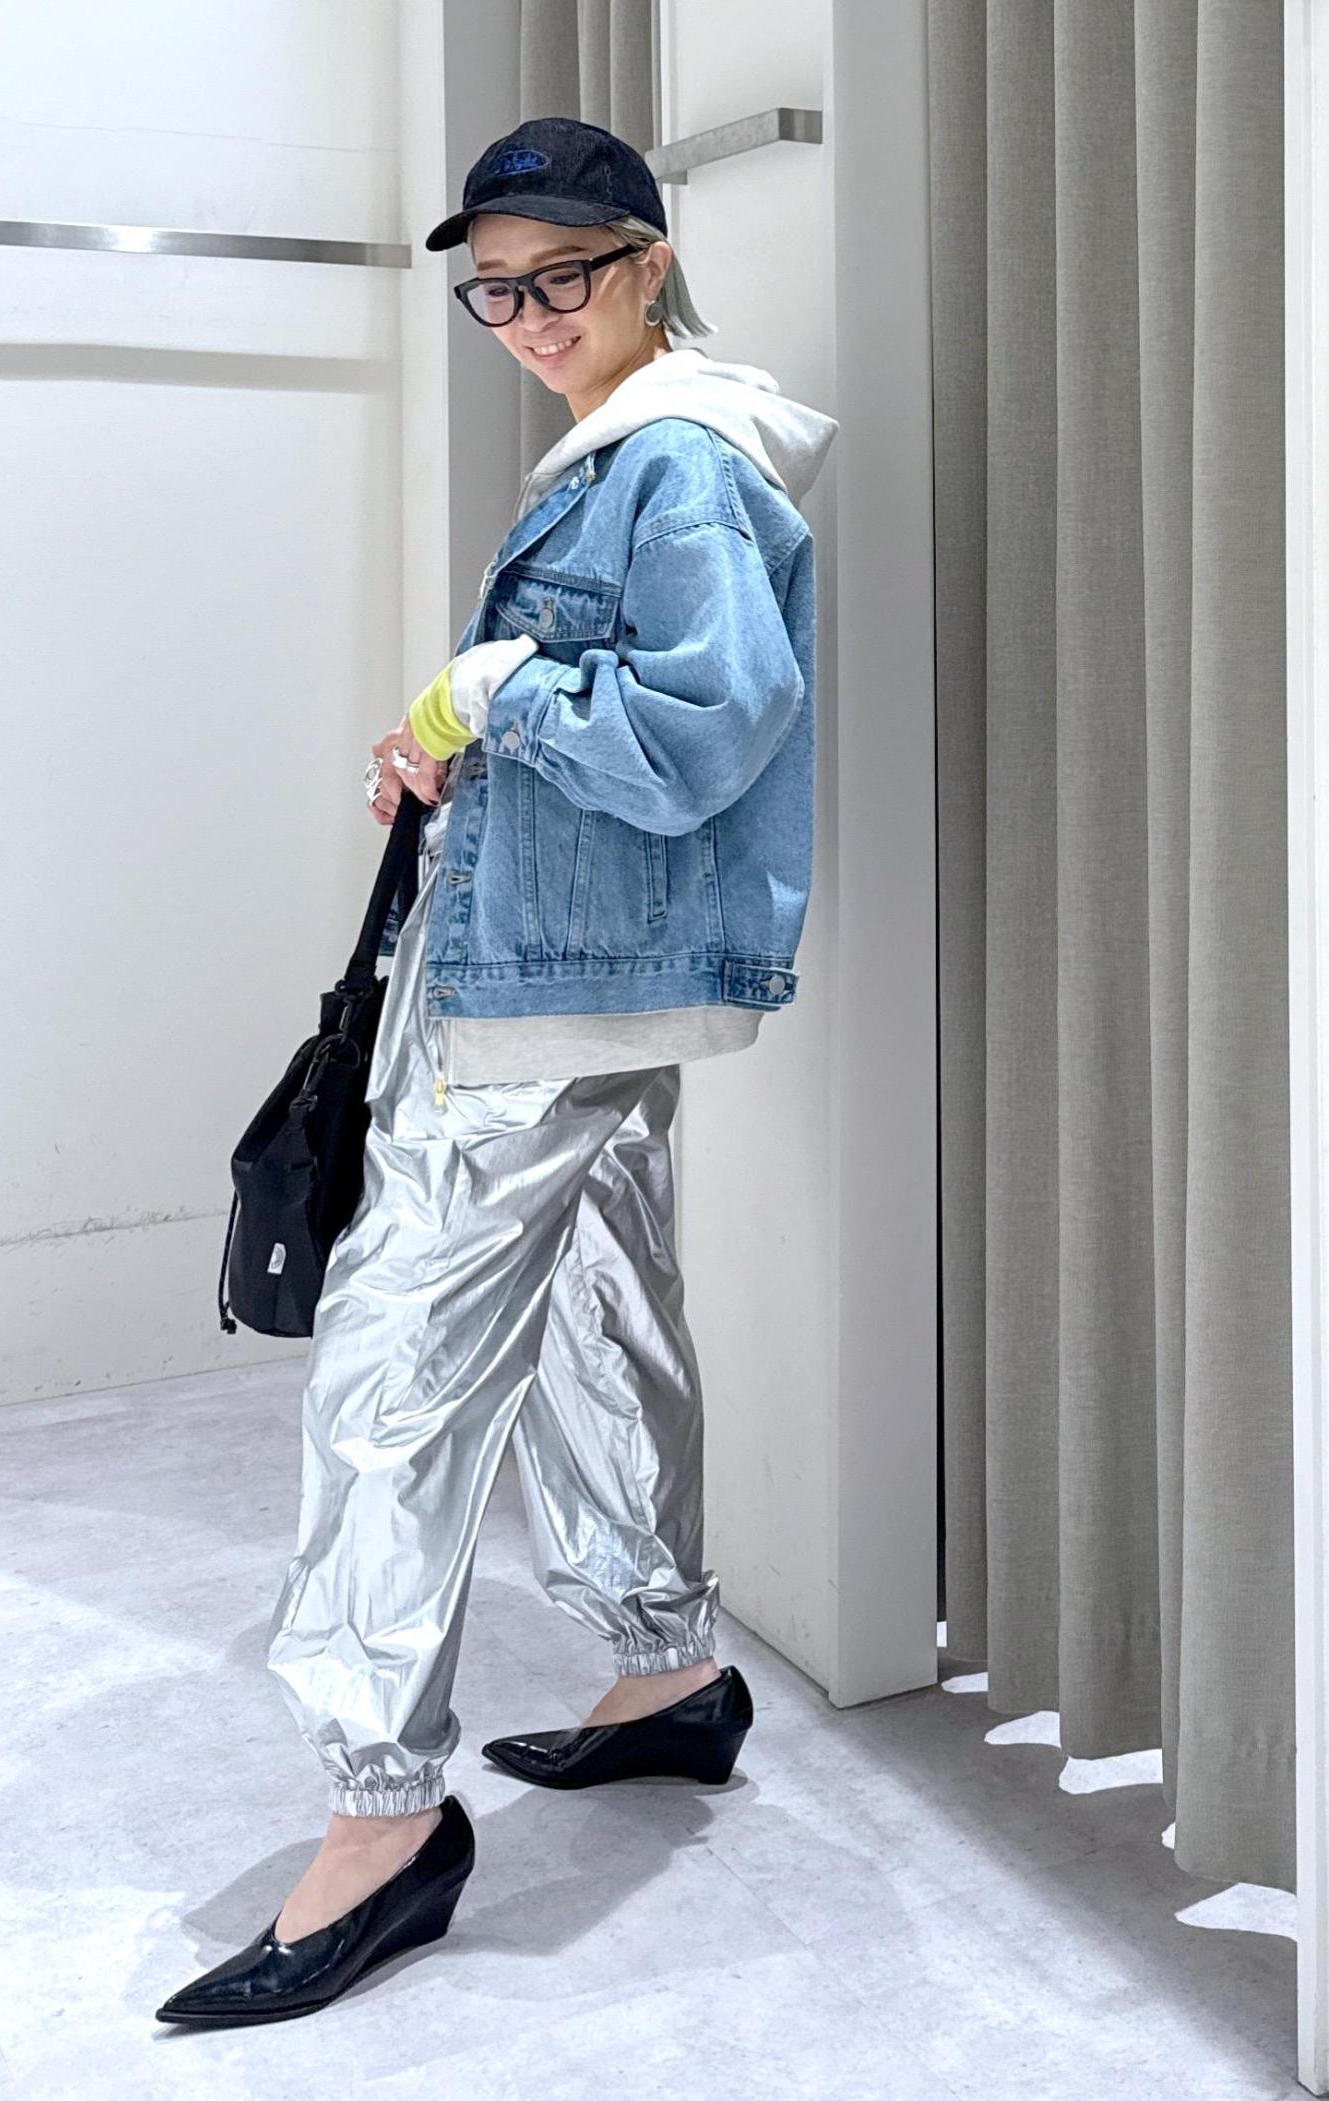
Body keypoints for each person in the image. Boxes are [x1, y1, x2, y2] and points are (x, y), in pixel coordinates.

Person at [156, 115, 837, 2028]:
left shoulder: (676, 460)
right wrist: (471, 747)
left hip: (539, 1002)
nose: (528, 319)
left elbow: (709, 726)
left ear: (648, 261)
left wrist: (497, 688)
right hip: (590, 974)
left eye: (562, 278)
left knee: (391, 1381)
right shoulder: (641, 446)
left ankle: (381, 1820)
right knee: (606, 1313)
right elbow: (624, 726)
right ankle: (665, 1670)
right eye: (497, 292)